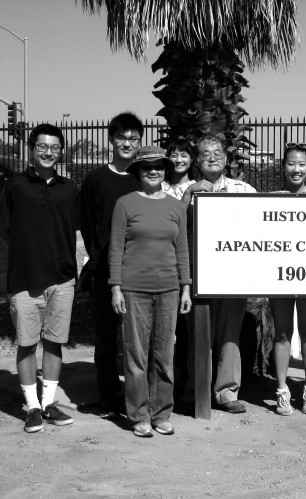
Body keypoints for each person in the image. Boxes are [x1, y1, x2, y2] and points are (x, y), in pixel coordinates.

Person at [0, 124, 78, 432]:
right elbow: (5, 230)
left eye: (54, 147)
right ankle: (31, 406)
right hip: (24, 279)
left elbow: (76, 228)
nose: (48, 152)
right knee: (27, 344)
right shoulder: (16, 186)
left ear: (61, 151)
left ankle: (48, 404)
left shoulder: (70, 189)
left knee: (55, 342)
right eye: (42, 147)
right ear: (31, 150)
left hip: (62, 279)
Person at [109, 146, 191, 437]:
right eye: (146, 167)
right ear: (138, 172)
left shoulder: (175, 206)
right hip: (133, 291)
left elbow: (181, 250)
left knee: (164, 355)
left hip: (169, 291)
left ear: (165, 170)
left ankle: (161, 413)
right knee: (135, 356)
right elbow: (116, 248)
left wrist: (185, 287)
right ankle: (139, 415)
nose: (153, 171)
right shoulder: (125, 204)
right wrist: (116, 287)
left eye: (158, 166)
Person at [182, 136, 256, 414]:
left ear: (226, 159)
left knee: (229, 333)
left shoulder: (244, 189)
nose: (211, 158)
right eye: (205, 154)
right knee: (197, 333)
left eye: (217, 153)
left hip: (232, 274)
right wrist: (189, 196)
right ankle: (195, 387)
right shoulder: (185, 191)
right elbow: (174, 225)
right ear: (197, 161)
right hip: (197, 274)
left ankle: (227, 391)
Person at [81, 112, 143, 418]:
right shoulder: (95, 179)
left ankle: (137, 397)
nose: (127, 143)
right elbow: (86, 223)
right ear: (111, 140)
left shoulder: (145, 176)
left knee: (137, 339)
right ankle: (108, 398)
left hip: (140, 270)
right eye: (122, 138)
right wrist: (95, 258)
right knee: (106, 339)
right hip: (106, 270)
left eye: (133, 138)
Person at [268, 143, 306, 416]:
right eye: (291, 163)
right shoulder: (271, 198)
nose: (296, 169)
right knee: (281, 333)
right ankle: (281, 390)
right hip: (279, 274)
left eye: (302, 164)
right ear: (283, 166)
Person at [161, 138, 198, 401]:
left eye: (184, 154)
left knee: (186, 330)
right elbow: (170, 221)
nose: (179, 159)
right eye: (174, 154)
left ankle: (186, 385)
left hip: (190, 263)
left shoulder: (201, 185)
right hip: (164, 262)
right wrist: (186, 197)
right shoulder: (160, 187)